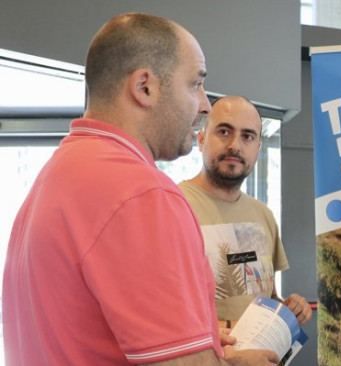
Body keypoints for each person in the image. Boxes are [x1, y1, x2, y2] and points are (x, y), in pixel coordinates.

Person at [2, 13, 278, 366]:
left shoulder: (56, 174)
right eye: (195, 84)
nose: (205, 105)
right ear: (145, 87)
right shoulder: (143, 195)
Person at [179, 95, 312, 328]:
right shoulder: (175, 207)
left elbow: (267, 298)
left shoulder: (263, 217)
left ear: (258, 148)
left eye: (247, 136)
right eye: (223, 132)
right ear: (201, 140)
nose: (235, 146)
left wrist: (289, 308)